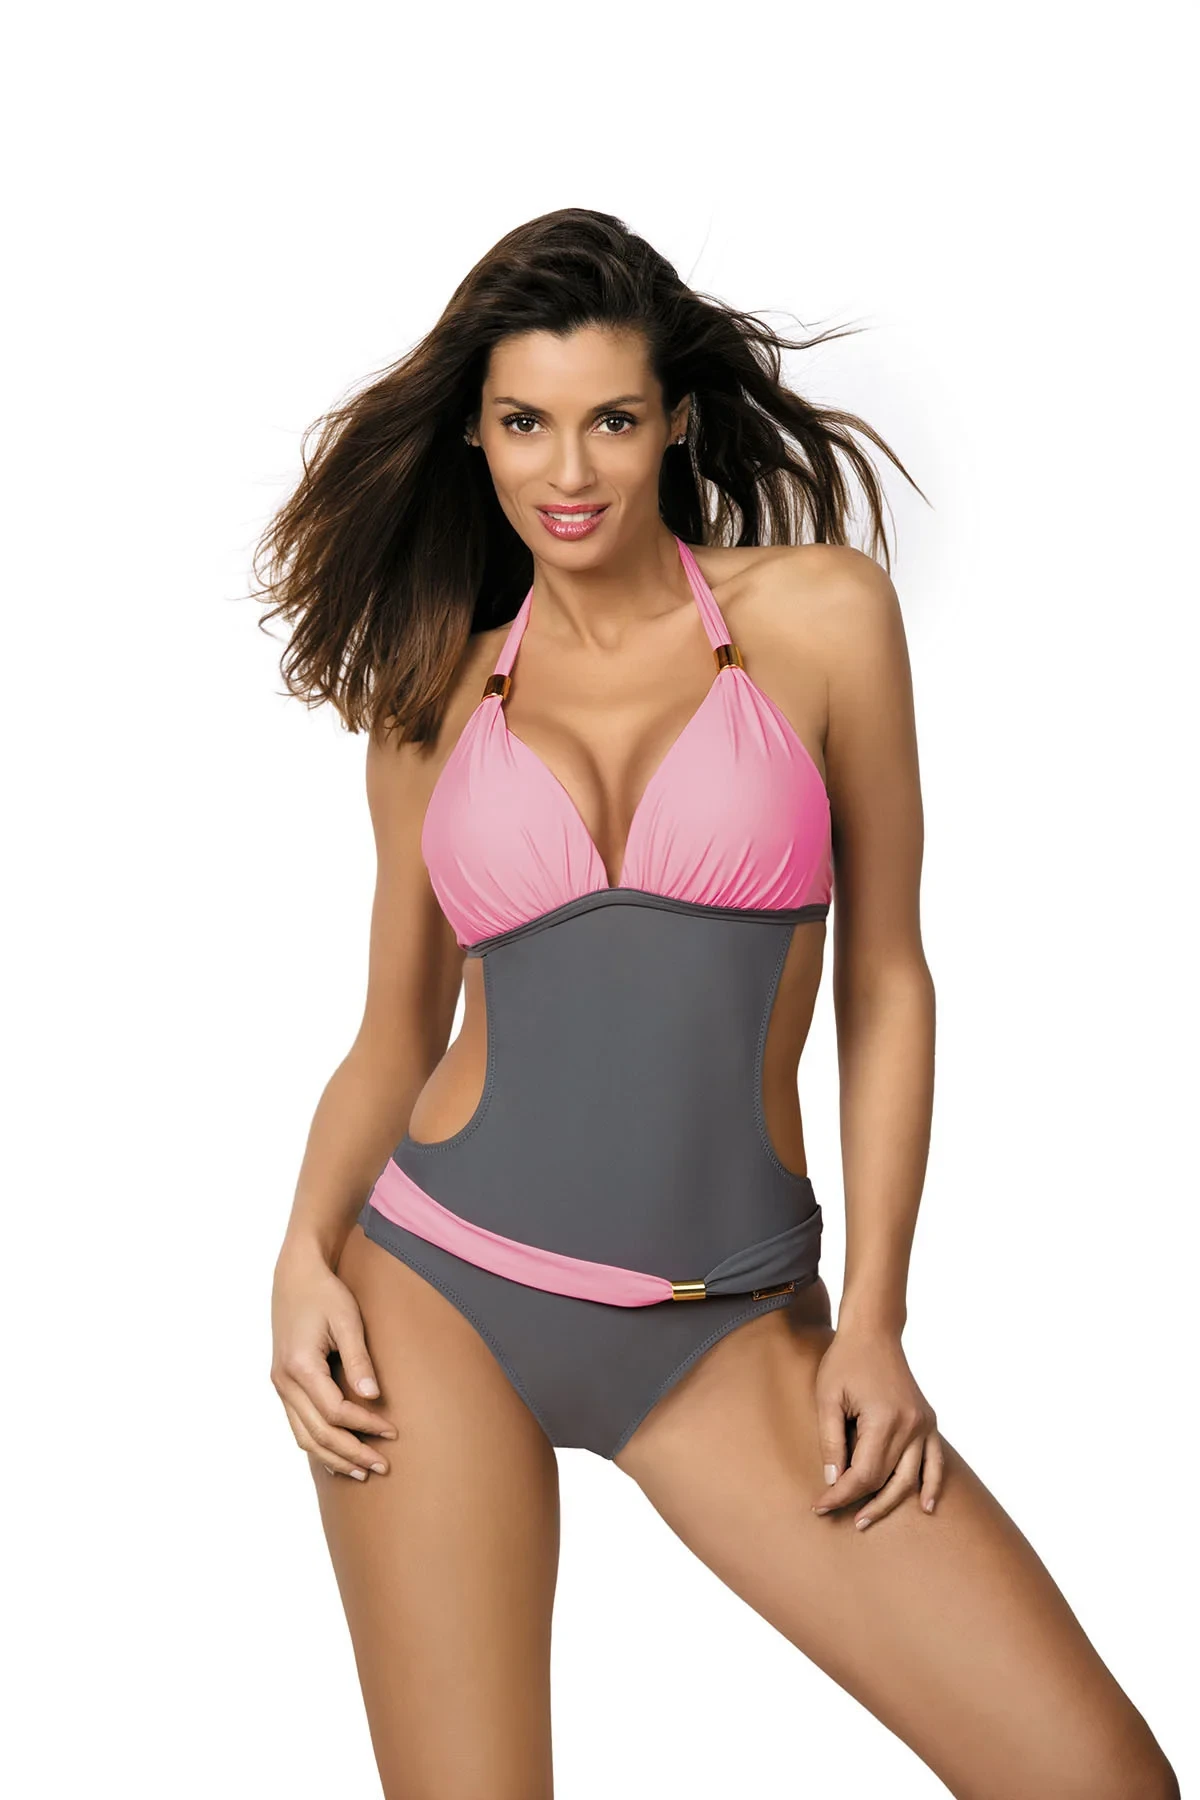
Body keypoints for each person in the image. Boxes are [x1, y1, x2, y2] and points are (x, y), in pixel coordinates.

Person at [257, 208, 1178, 1799]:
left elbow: (885, 976)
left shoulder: (819, 619)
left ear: (674, 419)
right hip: (438, 1293)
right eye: (525, 423)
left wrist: (875, 1319)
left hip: (725, 1325)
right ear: (474, 433)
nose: (569, 471)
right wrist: (296, 1256)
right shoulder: (434, 703)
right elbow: (394, 1034)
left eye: (611, 420)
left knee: (1094, 1778)